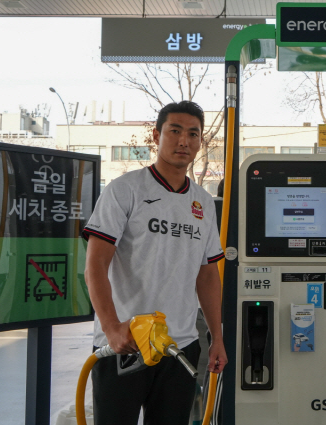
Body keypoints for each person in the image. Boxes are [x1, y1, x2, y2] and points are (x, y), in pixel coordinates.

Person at [83, 100, 228, 425]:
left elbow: (207, 276)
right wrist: (111, 328)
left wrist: (216, 338)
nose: (184, 141)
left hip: (180, 344)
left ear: (200, 142)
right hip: (126, 343)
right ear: (156, 135)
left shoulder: (203, 203)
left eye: (193, 134)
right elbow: (95, 266)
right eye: (175, 131)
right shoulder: (125, 190)